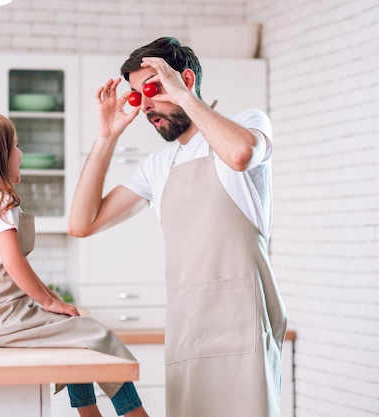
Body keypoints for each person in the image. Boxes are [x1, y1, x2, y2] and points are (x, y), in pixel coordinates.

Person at [67, 36, 288, 417]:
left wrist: (185, 97)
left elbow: (239, 155)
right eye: (138, 96)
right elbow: (81, 224)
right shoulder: (158, 165)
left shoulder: (248, 123)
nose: (146, 105)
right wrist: (107, 136)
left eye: (153, 88)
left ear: (185, 79)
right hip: (188, 330)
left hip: (244, 326)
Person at [0, 112, 150, 417]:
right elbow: (13, 261)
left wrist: (50, 302)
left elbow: (11, 262)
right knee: (94, 333)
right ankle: (135, 414)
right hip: (1, 316)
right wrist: (49, 300)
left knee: (74, 339)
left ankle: (90, 413)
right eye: (15, 146)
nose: (21, 154)